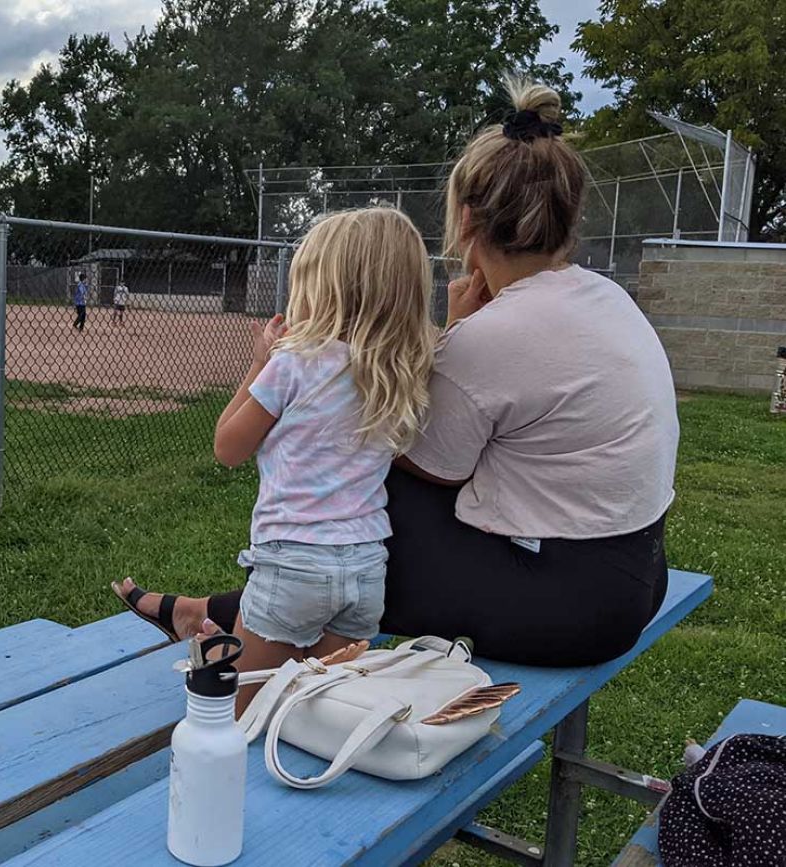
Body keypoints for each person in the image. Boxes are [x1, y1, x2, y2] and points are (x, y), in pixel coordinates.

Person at [115, 77, 680, 668]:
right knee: (354, 511)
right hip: (636, 577)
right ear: (570, 217)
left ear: (465, 220)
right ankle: (217, 609)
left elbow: (416, 459)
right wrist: (453, 336)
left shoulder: (494, 335)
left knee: (362, 481)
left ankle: (239, 620)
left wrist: (448, 342)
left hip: (568, 609)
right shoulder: (604, 296)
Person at [118, 208, 434, 712]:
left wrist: (260, 360)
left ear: (322, 287)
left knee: (241, 715)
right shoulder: (403, 374)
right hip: (367, 568)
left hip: (294, 565)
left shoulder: (295, 362)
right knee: (319, 708)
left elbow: (228, 446)